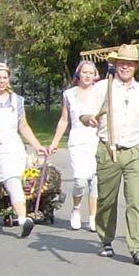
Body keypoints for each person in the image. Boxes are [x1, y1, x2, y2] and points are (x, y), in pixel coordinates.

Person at [79, 44, 139, 265]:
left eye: (129, 63)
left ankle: (138, 246)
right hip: (108, 149)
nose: (125, 67)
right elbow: (85, 115)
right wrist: (89, 120)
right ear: (115, 64)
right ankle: (105, 239)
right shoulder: (103, 87)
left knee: (134, 200)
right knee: (106, 199)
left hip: (133, 150)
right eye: (121, 63)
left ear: (135, 67)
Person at [0, 63, 48, 238]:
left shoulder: (17, 100)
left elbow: (22, 126)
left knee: (13, 181)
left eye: (4, 77)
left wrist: (37, 145)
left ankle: (23, 220)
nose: (1, 81)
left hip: (11, 147)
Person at [49, 60, 100, 231]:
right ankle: (76, 209)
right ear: (79, 74)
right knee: (80, 180)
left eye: (91, 73)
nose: (88, 76)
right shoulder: (69, 94)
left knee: (95, 179)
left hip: (96, 138)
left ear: (95, 76)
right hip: (77, 139)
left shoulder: (100, 93)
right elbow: (64, 120)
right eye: (85, 72)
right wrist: (55, 142)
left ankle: (93, 216)